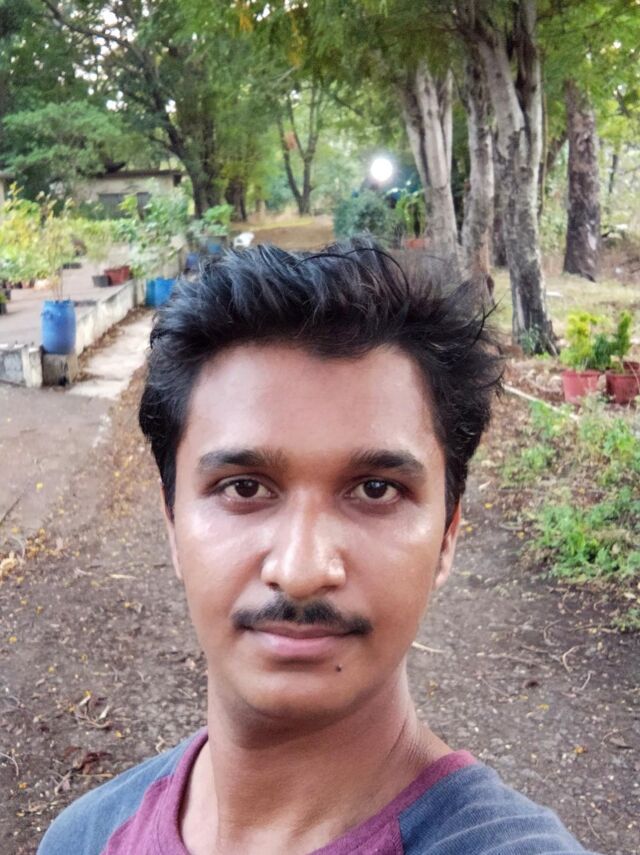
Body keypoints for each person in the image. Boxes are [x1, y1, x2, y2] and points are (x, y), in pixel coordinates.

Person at [38, 239, 595, 854]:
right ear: (172, 524)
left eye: (376, 490)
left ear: (447, 535)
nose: (301, 571)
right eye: (244, 488)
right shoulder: (82, 838)